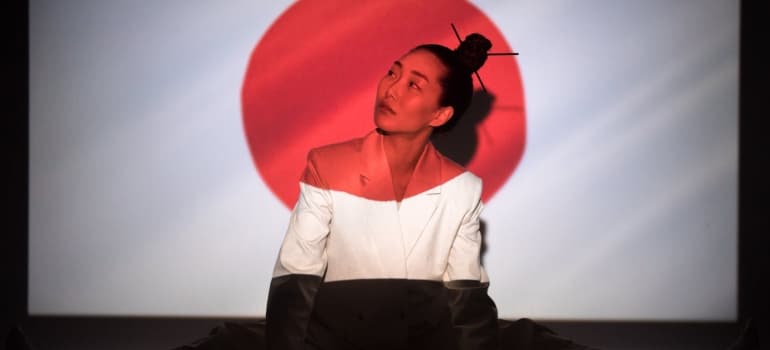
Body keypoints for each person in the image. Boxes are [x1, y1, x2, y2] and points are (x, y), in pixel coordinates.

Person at [266, 33, 499, 350]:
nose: (390, 89)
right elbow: (295, 280)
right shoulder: (326, 165)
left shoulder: (463, 189)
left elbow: (466, 303)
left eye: (413, 85)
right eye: (393, 72)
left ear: (440, 114)